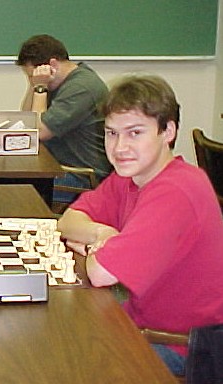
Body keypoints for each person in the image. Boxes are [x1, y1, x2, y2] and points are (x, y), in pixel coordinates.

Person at [57, 74, 223, 376]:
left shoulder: (176, 190)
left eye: (135, 133)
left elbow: (100, 272)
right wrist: (101, 233)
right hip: (137, 322)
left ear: (168, 131)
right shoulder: (129, 177)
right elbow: (68, 221)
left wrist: (94, 251)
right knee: (56, 341)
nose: (120, 147)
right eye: (111, 133)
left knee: (68, 368)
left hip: (187, 348)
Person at [16, 34, 112, 202]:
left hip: (82, 177)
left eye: (32, 75)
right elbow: (26, 120)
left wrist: (40, 86)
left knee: (13, 190)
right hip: (58, 166)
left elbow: (39, 132)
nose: (32, 80)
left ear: (52, 65)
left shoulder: (81, 87)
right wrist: (36, 85)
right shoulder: (58, 82)